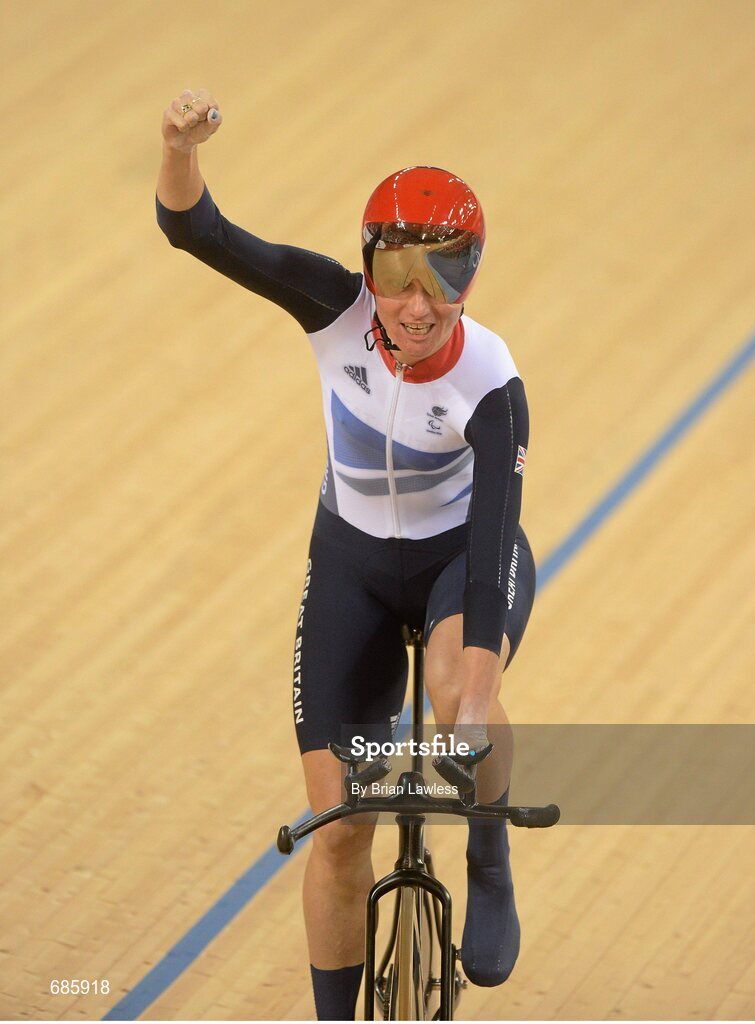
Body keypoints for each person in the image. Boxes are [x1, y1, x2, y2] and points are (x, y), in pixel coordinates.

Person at [156, 88, 536, 1022]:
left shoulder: (492, 386)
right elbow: (197, 231)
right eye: (400, 276)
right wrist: (176, 148)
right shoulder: (330, 306)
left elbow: (488, 561)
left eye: (445, 277)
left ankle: (487, 851)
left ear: (472, 277)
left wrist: (475, 711)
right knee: (337, 832)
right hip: (355, 568)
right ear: (369, 272)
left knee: (455, 689)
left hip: (458, 564)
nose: (419, 304)